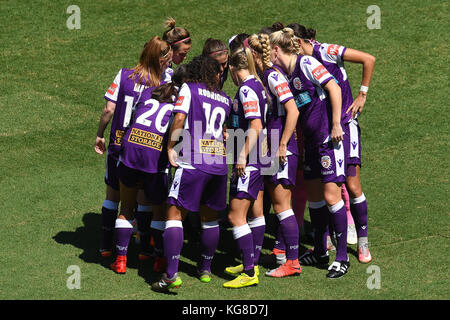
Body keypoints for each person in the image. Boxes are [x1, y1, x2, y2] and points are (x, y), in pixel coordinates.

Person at [288, 23, 376, 263]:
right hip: (323, 134)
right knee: (324, 188)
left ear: (298, 42)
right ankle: (323, 245)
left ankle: (363, 242)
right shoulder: (298, 66)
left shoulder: (325, 51)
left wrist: (362, 94)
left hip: (345, 127)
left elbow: (368, 59)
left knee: (353, 184)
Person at [269, 27, 350, 278]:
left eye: (268, 52)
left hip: (328, 139)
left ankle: (342, 258)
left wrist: (336, 123)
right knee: (315, 198)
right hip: (311, 144)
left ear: (275, 50)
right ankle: (319, 250)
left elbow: (334, 88)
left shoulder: (306, 63)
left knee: (330, 195)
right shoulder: (286, 72)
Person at [151, 55, 232, 292]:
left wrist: (170, 147)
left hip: (193, 161)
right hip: (218, 165)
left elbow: (179, 118)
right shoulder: (225, 99)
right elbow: (224, 132)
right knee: (210, 219)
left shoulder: (189, 88)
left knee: (174, 215)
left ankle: (171, 275)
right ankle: (205, 269)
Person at [94, 36, 172, 259]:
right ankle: (146, 250)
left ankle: (106, 246)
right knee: (144, 198)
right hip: (148, 149)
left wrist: (100, 135)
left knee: (114, 197)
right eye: (167, 59)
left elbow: (109, 110)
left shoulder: (124, 75)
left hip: (118, 145)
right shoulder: (163, 83)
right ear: (160, 59)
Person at [246, 33, 302, 278]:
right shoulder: (266, 76)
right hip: (273, 148)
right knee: (280, 206)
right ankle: (284, 256)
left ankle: (292, 262)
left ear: (255, 56)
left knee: (282, 207)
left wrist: (282, 145)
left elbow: (293, 110)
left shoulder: (272, 76)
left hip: (282, 150)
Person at [222, 46, 269, 288]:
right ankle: (253, 262)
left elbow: (256, 126)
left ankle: (249, 273)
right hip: (261, 159)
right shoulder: (258, 86)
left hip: (250, 161)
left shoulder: (247, 89)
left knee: (235, 215)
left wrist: (241, 155)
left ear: (232, 68)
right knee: (255, 211)